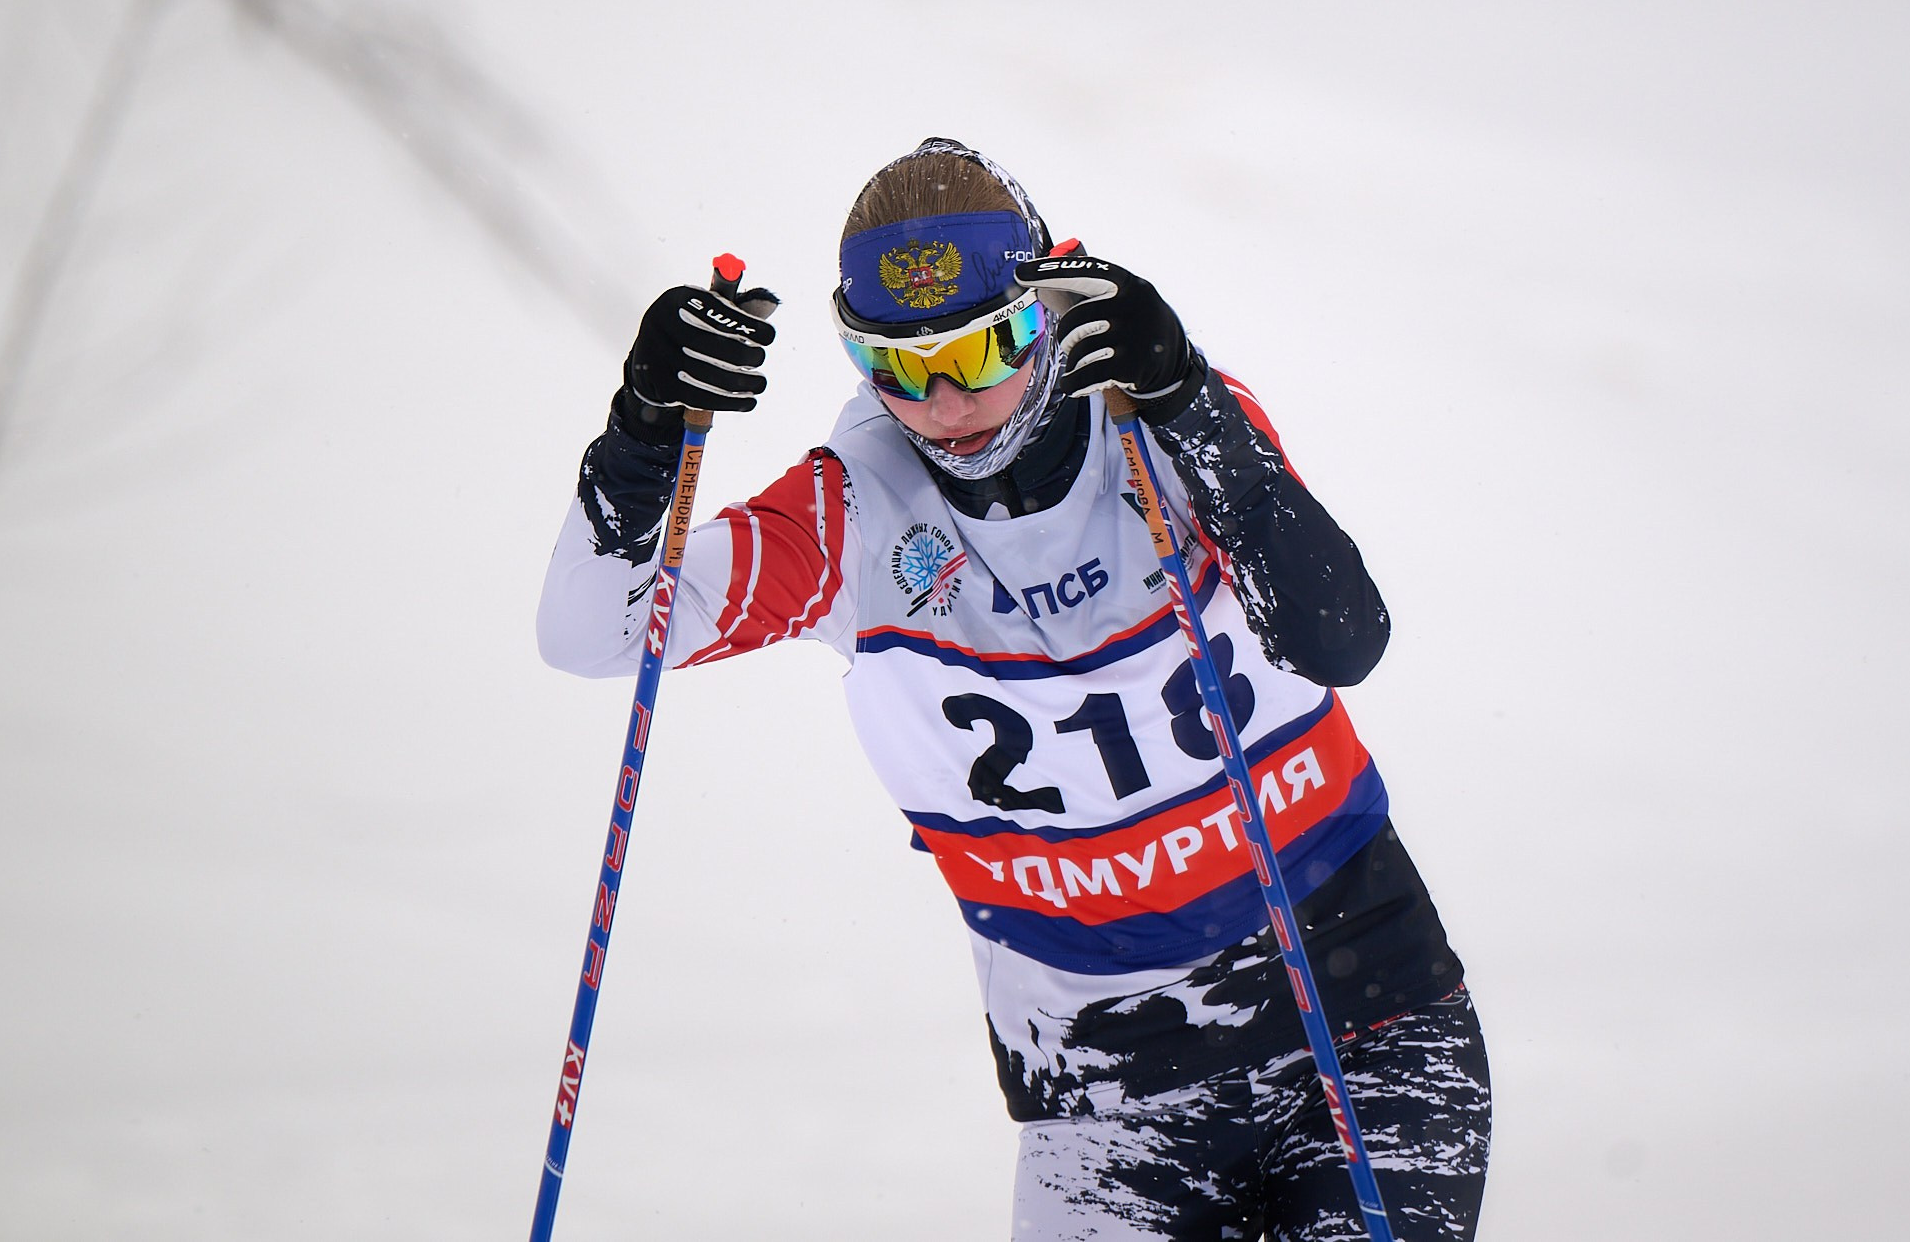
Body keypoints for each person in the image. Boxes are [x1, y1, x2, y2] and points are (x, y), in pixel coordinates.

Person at [537, 138, 1489, 1240]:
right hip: (1103, 1094)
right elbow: (593, 635)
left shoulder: (1161, 428)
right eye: (897, 366)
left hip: (1358, 1014)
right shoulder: (848, 518)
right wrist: (643, 435)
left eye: (985, 349)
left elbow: (1341, 638)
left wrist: (1185, 398)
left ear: (1045, 316)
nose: (945, 402)